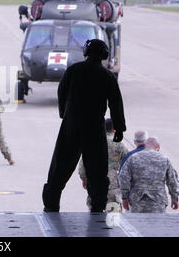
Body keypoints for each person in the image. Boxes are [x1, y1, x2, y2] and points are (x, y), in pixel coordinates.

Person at [42, 39, 126, 213]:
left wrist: (64, 114)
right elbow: (116, 103)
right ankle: (97, 208)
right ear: (104, 55)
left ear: (86, 52)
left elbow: (62, 92)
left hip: (71, 125)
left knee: (60, 167)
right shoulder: (107, 75)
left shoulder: (73, 70)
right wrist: (119, 127)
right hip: (94, 127)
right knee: (97, 170)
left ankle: (51, 206)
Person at [78, 118, 128, 212]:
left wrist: (84, 179)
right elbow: (127, 165)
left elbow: (83, 165)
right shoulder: (120, 144)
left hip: (94, 185)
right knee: (113, 220)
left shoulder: (92, 143)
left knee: (95, 219)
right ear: (114, 130)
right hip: (113, 187)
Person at [118, 137, 179, 213]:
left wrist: (124, 197)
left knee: (137, 223)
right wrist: (174, 198)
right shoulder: (164, 159)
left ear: (145, 145)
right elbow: (172, 181)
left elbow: (123, 178)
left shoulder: (133, 158)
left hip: (137, 200)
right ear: (158, 146)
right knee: (157, 224)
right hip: (158, 200)